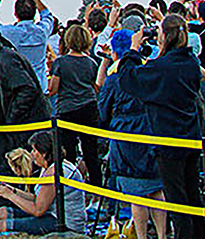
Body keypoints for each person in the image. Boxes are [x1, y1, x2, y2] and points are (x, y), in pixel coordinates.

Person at [118, 14, 205, 239]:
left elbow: (128, 79)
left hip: (168, 140)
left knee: (178, 199)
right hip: (191, 137)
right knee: (193, 194)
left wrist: (133, 49)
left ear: (164, 37)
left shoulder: (163, 67)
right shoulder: (192, 63)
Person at [0, 23, 50, 199]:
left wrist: (12, 118)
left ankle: (21, 203)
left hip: (26, 125)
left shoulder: (7, 60)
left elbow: (27, 89)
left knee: (27, 167)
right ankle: (10, 201)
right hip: (15, 126)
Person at [99, 29, 167, 239]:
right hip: (151, 134)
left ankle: (141, 235)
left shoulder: (114, 79)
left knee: (137, 195)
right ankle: (163, 235)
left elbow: (102, 112)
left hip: (126, 140)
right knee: (156, 190)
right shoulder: (149, 72)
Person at [49, 23, 102, 186]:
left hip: (67, 109)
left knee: (68, 152)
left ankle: (70, 185)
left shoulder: (61, 63)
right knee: (91, 151)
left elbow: (53, 89)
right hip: (89, 107)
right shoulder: (91, 63)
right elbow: (95, 86)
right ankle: (96, 187)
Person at [0, 0, 55, 90]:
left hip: (18, 88)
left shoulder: (9, 33)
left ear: (15, 13)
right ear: (34, 13)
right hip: (39, 88)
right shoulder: (41, 31)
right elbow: (47, 15)